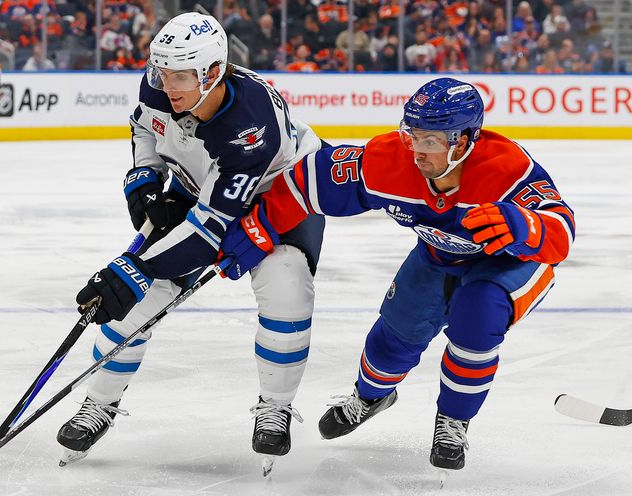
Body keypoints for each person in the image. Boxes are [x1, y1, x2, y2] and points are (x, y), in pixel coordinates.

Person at [222, 78, 575, 473]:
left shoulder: (507, 170)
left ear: (463, 142)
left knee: (477, 313)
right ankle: (371, 396)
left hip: (510, 262)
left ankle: (453, 422)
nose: (417, 151)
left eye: (430, 141)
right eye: (412, 135)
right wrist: (260, 225)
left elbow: (561, 232)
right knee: (391, 341)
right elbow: (307, 182)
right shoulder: (388, 160)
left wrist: (524, 226)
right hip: (438, 255)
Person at [56, 12, 325, 473]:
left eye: (180, 76)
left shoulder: (248, 125)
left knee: (286, 288)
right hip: (199, 186)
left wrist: (134, 266)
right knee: (138, 299)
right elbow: (144, 126)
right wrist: (144, 174)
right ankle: (99, 402)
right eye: (162, 73)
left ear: (214, 72)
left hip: (278, 194)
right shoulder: (160, 83)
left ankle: (275, 405)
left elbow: (209, 232)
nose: (168, 85)